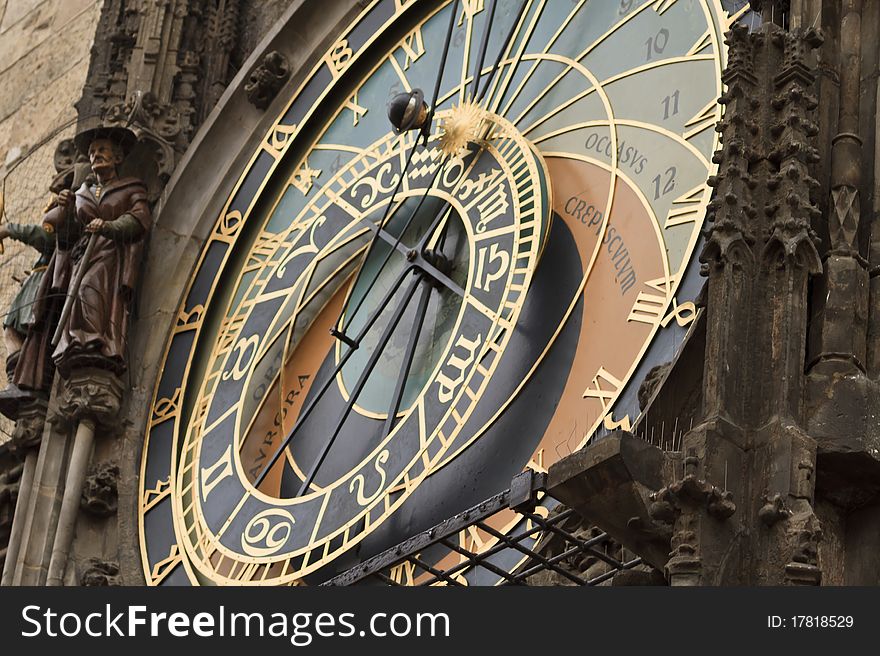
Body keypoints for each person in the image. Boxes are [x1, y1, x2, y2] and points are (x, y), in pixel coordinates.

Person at [49, 126, 150, 377]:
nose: (96, 155)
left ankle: (95, 340)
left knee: (90, 289)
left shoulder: (131, 187)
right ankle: (77, 341)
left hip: (109, 252)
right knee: (78, 291)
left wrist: (109, 226)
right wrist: (67, 208)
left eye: (102, 150)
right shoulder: (82, 193)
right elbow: (69, 235)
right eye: (92, 152)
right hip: (83, 253)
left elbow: (140, 219)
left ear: (117, 157)